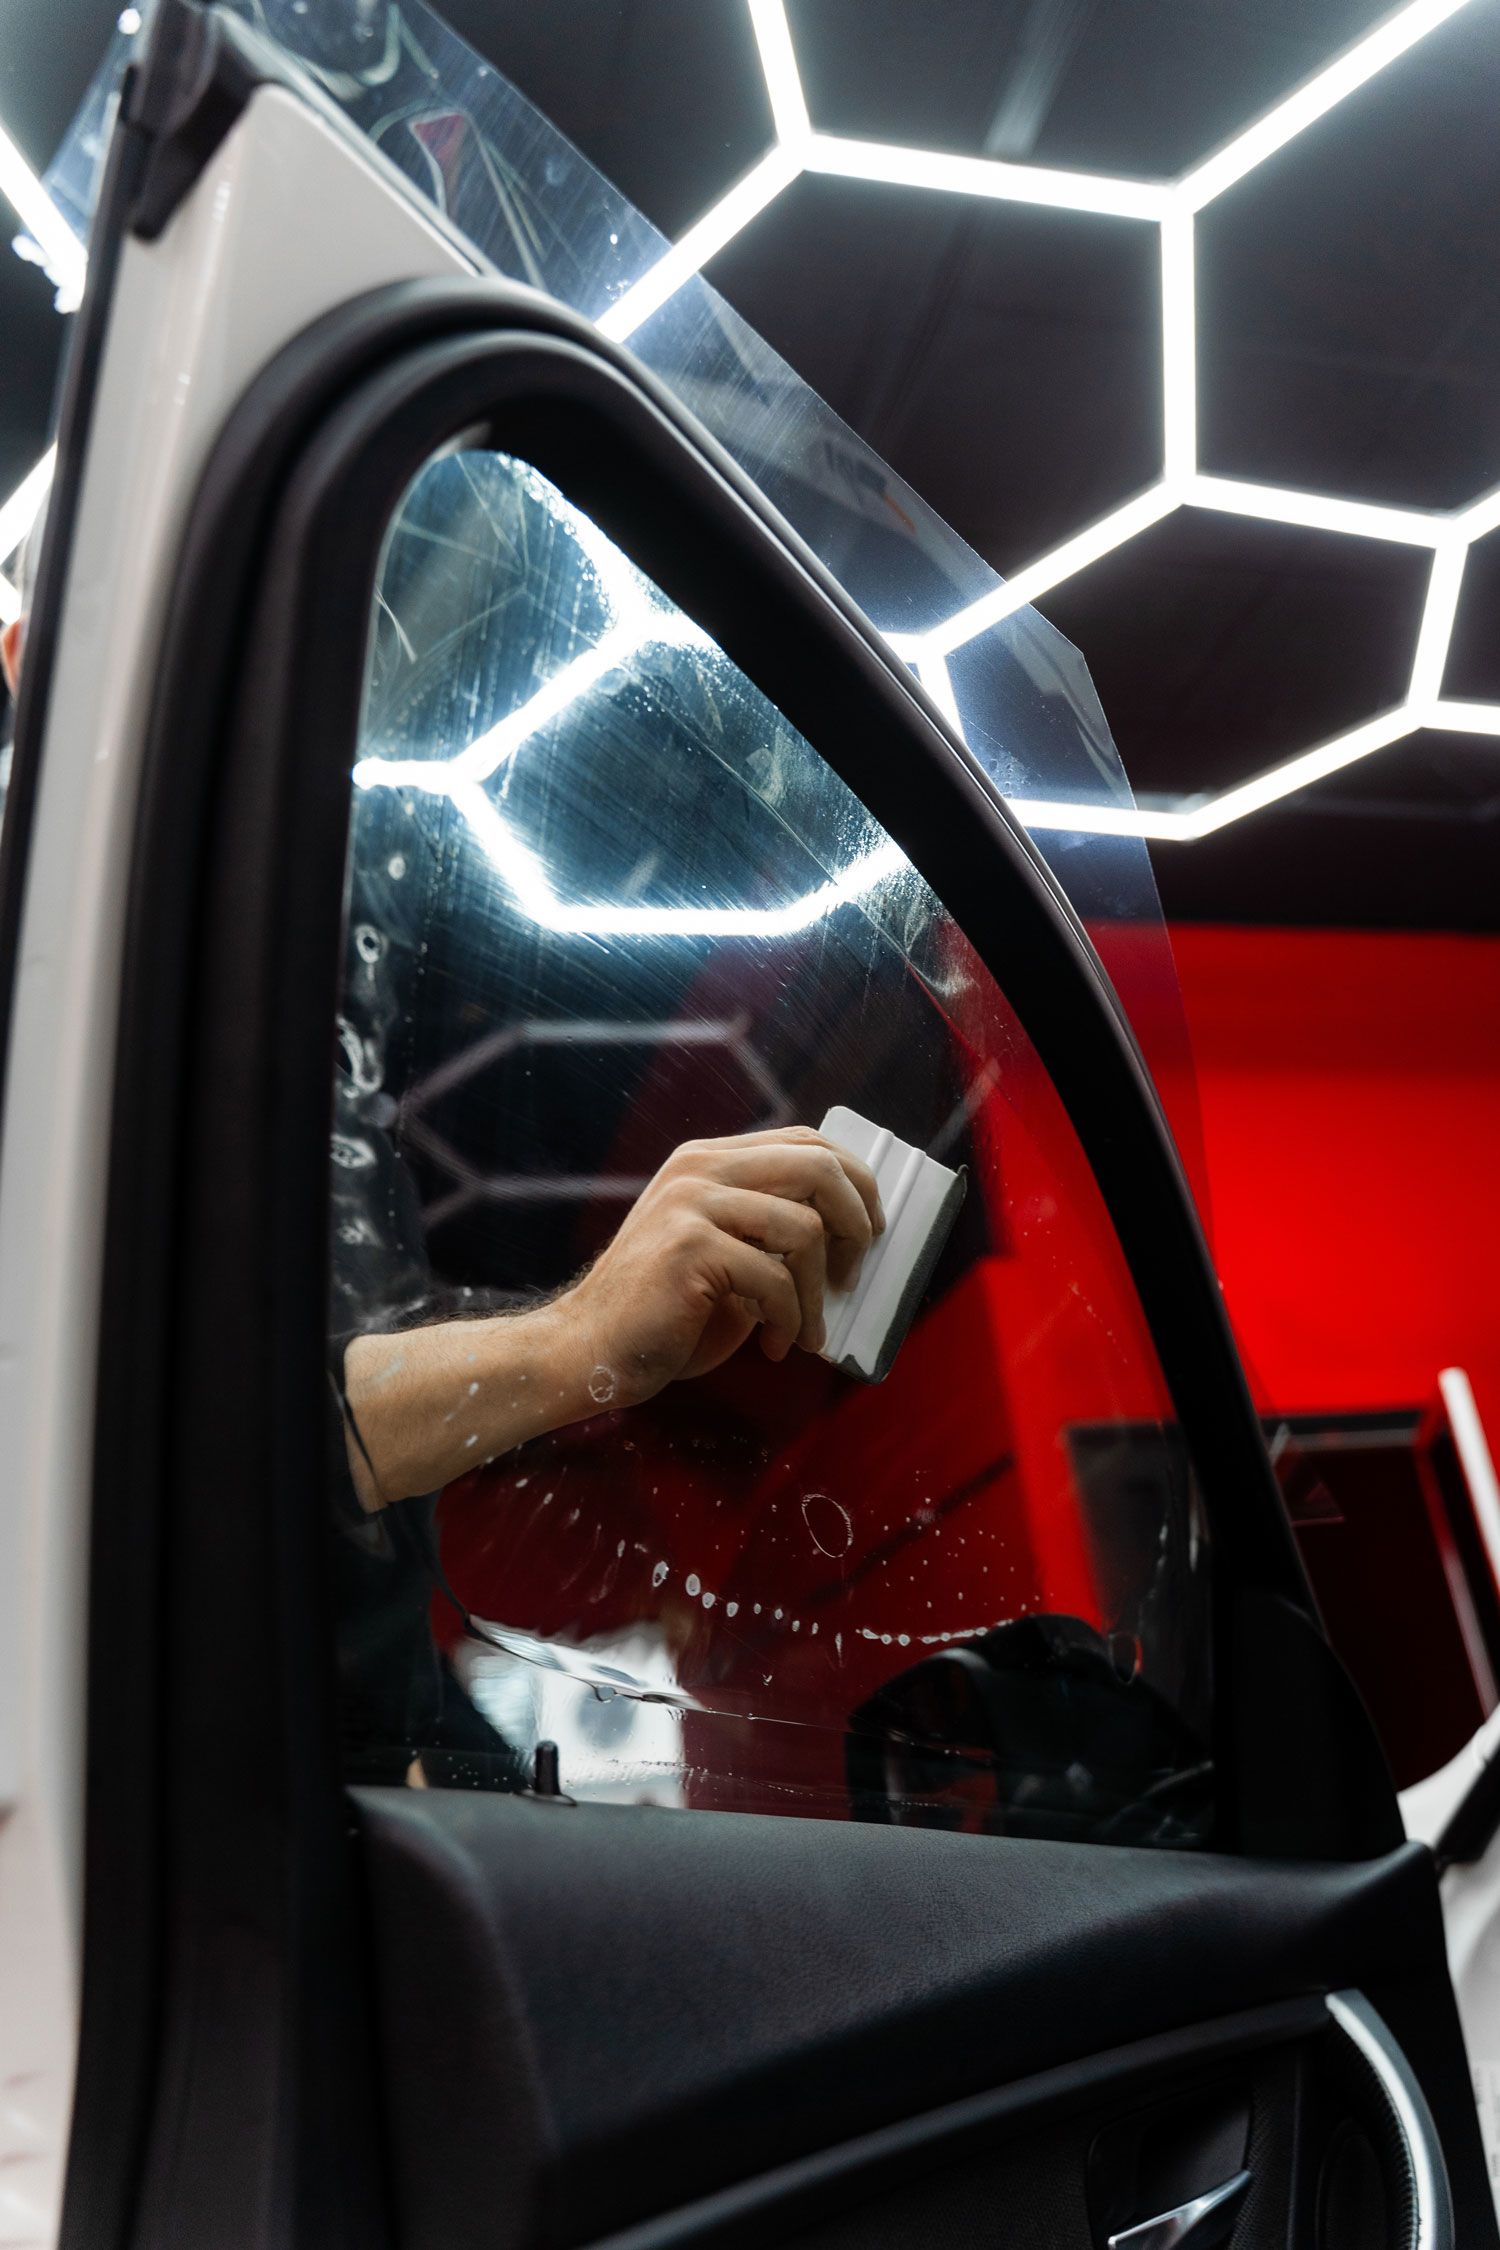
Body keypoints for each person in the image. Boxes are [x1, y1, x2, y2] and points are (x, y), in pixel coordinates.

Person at [3, 555, 886, 1777]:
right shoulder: (48, 1002)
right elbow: (165, 1451)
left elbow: (318, 1398)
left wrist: (432, 1759)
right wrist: (572, 1344)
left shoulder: (247, 983)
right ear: (31, 658)